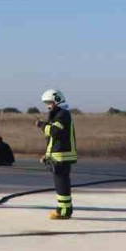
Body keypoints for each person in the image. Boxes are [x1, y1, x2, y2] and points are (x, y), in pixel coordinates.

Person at [35, 89, 77, 220]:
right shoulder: (59, 114)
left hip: (62, 157)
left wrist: (42, 125)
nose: (47, 106)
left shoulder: (62, 114)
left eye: (49, 102)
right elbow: (53, 140)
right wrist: (47, 156)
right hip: (58, 156)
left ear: (57, 100)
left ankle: (64, 212)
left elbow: (55, 132)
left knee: (62, 185)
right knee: (61, 185)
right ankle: (63, 209)